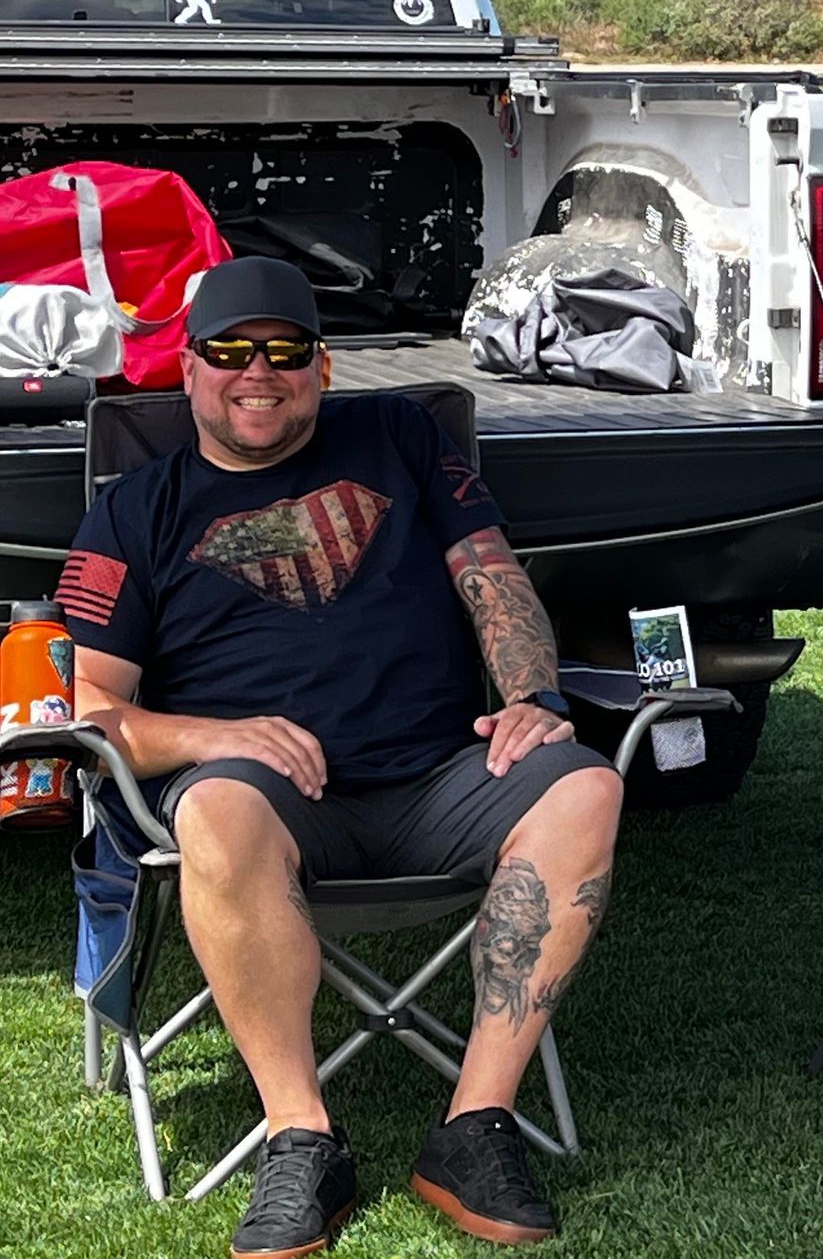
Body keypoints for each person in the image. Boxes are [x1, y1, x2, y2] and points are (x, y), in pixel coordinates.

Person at [61, 255, 623, 1256]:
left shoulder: (400, 438)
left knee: (585, 787)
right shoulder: (134, 510)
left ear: (321, 367)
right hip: (269, 803)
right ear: (187, 372)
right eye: (229, 352)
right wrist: (215, 737)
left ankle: (472, 1126)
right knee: (214, 811)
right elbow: (92, 711)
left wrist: (533, 697)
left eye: (284, 351)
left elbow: (488, 572)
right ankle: (301, 1137)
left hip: (440, 777)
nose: (257, 372)